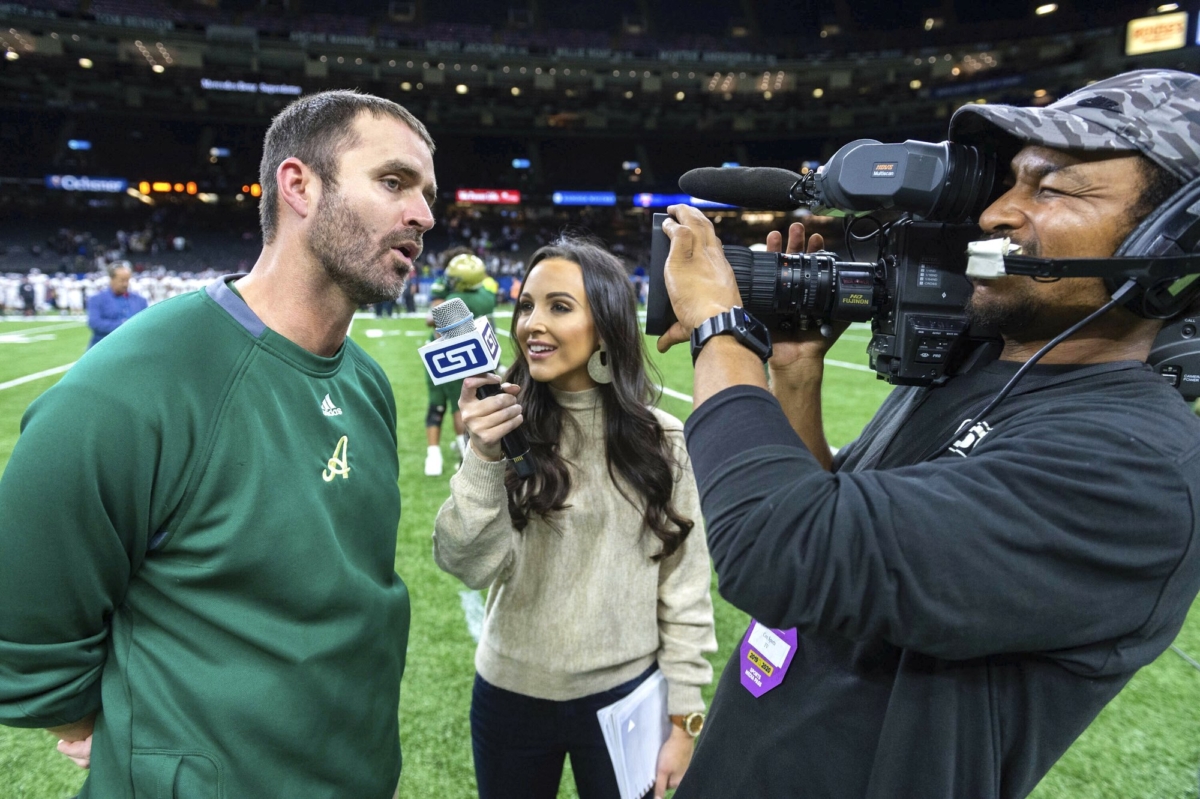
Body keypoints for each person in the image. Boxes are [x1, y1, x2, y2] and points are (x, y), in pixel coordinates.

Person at [655, 69, 1200, 799]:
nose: (998, 213)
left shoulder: (1135, 466)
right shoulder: (982, 364)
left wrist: (720, 330)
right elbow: (835, 563)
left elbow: (779, 548)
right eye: (1008, 183)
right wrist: (790, 371)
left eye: (1055, 188)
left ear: (1175, 239)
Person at [0, 89, 435, 798]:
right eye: (394, 182)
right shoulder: (135, 382)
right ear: (298, 185)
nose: (423, 213)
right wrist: (110, 731)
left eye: (425, 192)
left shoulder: (366, 382)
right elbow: (24, 612)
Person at [433, 238, 717, 799]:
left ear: (607, 325)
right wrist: (485, 459)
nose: (532, 325)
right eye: (526, 306)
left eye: (559, 307)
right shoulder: (502, 428)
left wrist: (685, 719)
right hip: (510, 694)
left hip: (627, 697)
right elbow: (464, 562)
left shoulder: (662, 442)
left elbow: (684, 589)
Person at [423, 248, 497, 476]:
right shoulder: (487, 295)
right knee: (463, 404)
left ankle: (436, 457)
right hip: (475, 353)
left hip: (449, 351)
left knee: (445, 403)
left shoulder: (456, 298)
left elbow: (431, 320)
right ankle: (463, 451)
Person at [85, 262, 148, 348]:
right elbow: (94, 323)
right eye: (122, 280)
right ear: (111, 279)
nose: (125, 284)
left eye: (127, 280)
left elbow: (145, 324)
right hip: (104, 349)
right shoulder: (97, 299)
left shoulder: (140, 300)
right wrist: (123, 325)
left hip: (131, 350)